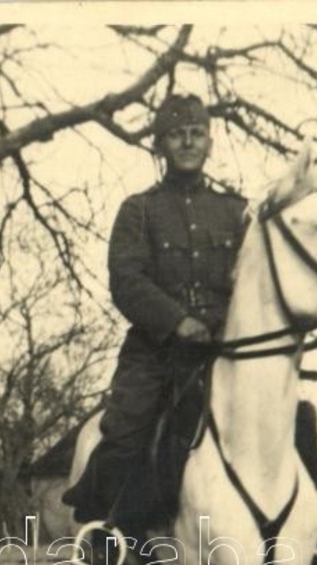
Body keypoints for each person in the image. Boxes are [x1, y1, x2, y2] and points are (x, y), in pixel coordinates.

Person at [62, 94, 247, 541]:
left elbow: (253, 279)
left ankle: (315, 532)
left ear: (209, 141)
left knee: (292, 413)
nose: (187, 141)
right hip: (157, 353)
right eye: (176, 134)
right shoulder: (139, 211)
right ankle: (105, 536)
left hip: (224, 352)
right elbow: (126, 280)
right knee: (125, 431)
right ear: (159, 146)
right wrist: (177, 321)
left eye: (196, 133)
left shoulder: (236, 211)